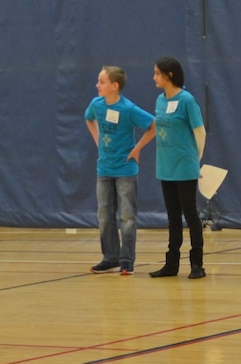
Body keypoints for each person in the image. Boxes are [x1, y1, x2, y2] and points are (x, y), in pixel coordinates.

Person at [85, 65, 156, 276]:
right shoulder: (96, 105)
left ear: (115, 86)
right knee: (105, 216)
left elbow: (153, 125)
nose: (97, 85)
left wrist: (136, 149)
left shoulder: (128, 109)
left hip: (125, 170)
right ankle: (110, 257)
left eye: (102, 81)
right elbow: (89, 119)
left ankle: (127, 260)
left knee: (127, 216)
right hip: (104, 169)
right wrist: (98, 140)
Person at [149, 56, 207, 280]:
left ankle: (197, 264)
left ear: (169, 75)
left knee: (190, 214)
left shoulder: (187, 100)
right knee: (173, 216)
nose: (154, 78)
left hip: (184, 167)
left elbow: (200, 133)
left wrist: (196, 160)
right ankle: (171, 264)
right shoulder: (160, 100)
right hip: (166, 167)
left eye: (157, 73)